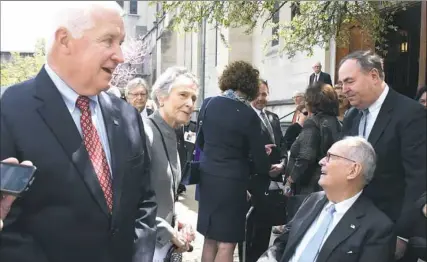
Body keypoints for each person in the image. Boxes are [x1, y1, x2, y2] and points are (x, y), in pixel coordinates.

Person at [0, 2, 157, 262]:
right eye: (108, 40)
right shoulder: (9, 109)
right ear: (65, 40)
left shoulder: (127, 115)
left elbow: (145, 202)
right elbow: (8, 228)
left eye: (121, 42)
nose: (120, 56)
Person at [339, 50, 426, 260]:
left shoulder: (411, 114)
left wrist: (403, 234)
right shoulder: (352, 116)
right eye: (341, 83)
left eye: (349, 81)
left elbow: (419, 179)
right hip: (354, 226)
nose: (344, 90)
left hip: (391, 229)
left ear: (374, 76)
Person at [258, 137, 395, 262]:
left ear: (353, 170)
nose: (321, 161)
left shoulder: (377, 228)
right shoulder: (312, 200)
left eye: (330, 157)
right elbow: (283, 242)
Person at [196, 61, 271, 262]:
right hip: (233, 182)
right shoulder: (248, 114)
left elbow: (200, 142)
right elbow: (260, 161)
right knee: (227, 243)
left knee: (210, 239)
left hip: (208, 177)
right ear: (249, 85)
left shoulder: (208, 103)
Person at [143, 67, 198, 259]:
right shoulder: (145, 133)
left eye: (193, 98)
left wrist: (179, 221)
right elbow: (129, 199)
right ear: (161, 96)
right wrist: (167, 232)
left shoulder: (172, 134)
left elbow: (165, 193)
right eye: (183, 95)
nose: (190, 104)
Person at [244, 79, 288, 262]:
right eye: (258, 94)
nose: (262, 98)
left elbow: (283, 146)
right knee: (251, 235)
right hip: (253, 184)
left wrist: (283, 165)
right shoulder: (244, 118)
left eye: (265, 94)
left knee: (265, 233)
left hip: (273, 184)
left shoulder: (273, 118)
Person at [284, 83, 342, 196]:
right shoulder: (336, 122)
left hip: (310, 186)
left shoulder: (313, 122)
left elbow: (306, 156)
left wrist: (290, 180)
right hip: (329, 183)